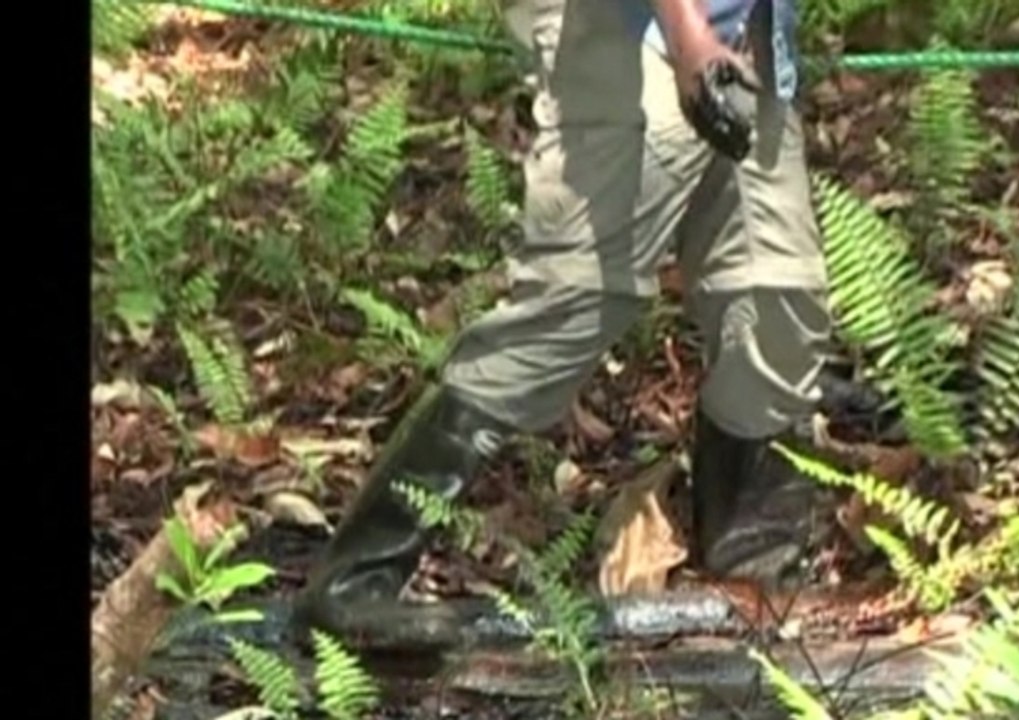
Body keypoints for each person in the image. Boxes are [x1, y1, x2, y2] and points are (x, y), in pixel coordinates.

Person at [291, 0, 874, 637]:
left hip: (751, 41)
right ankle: (355, 578)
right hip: (636, 35)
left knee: (776, 303)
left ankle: (754, 585)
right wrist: (688, 35)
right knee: (577, 298)